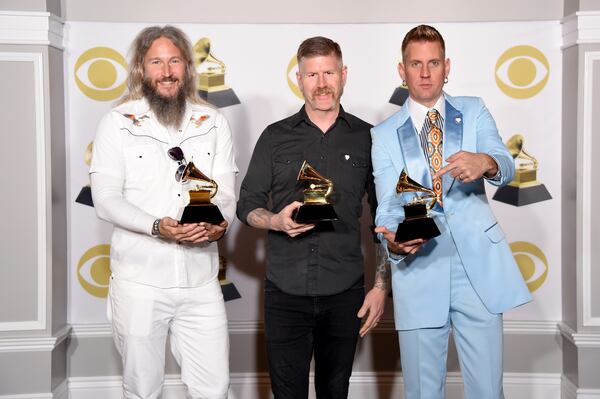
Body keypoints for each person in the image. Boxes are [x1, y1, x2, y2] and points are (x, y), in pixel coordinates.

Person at [371, 25, 532, 399]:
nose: (425, 73)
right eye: (416, 64)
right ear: (402, 70)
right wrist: (395, 245)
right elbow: (386, 210)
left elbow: (506, 165)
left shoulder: (473, 111)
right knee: (423, 393)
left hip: (480, 272)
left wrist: (486, 162)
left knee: (487, 391)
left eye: (433, 63)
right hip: (419, 269)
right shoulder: (383, 135)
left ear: (447, 66)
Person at [237, 36, 388, 399]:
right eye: (311, 75)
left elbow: (386, 218)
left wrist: (381, 287)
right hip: (285, 293)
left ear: (343, 74)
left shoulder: (370, 138)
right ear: (299, 79)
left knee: (335, 393)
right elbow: (247, 205)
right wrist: (274, 221)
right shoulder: (274, 138)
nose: (321, 84)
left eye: (329, 73)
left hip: (345, 292)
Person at [90, 25, 237, 399]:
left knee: (214, 388)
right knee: (142, 389)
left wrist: (218, 227)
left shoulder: (213, 121)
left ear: (187, 67)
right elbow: (105, 198)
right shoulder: (117, 123)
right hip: (139, 283)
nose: (166, 71)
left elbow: (225, 195)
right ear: (141, 68)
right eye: (156, 62)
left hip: (201, 283)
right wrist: (157, 227)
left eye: (174, 61)